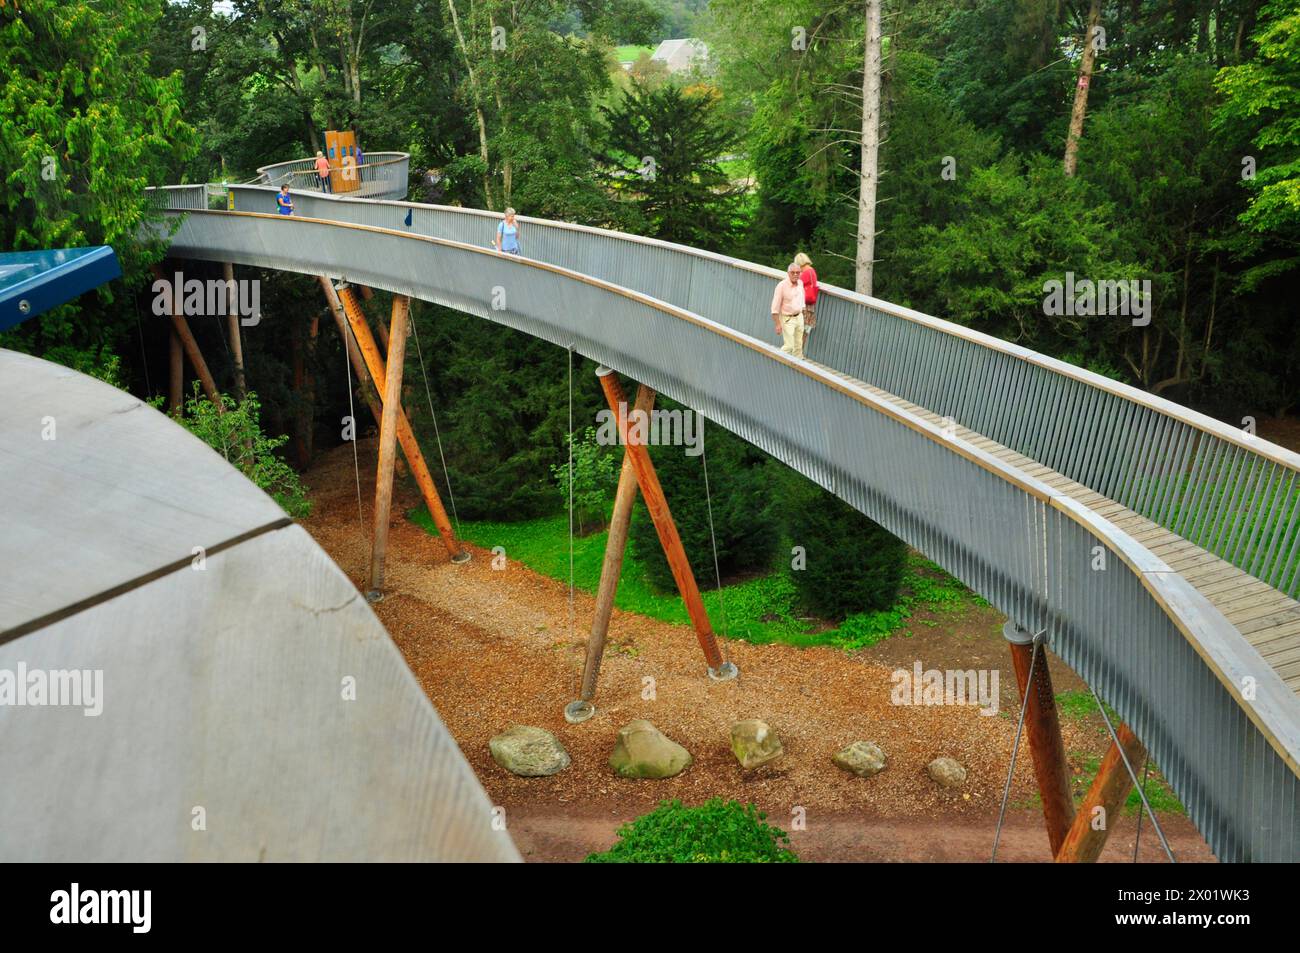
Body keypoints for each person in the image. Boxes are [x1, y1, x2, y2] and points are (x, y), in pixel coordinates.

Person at [770, 262, 806, 359]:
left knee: (798, 345)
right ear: (788, 273)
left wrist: (803, 314)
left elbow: (802, 300)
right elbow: (774, 308)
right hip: (787, 319)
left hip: (799, 316)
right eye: (792, 272)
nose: (795, 274)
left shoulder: (800, 283)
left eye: (797, 272)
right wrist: (777, 324)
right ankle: (777, 360)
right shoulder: (781, 286)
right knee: (789, 346)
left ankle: (798, 365)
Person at [794, 252, 817, 347]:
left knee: (799, 330)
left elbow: (794, 285)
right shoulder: (812, 271)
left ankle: (796, 354)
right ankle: (798, 353)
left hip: (804, 306)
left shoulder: (806, 273)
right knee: (804, 331)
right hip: (810, 306)